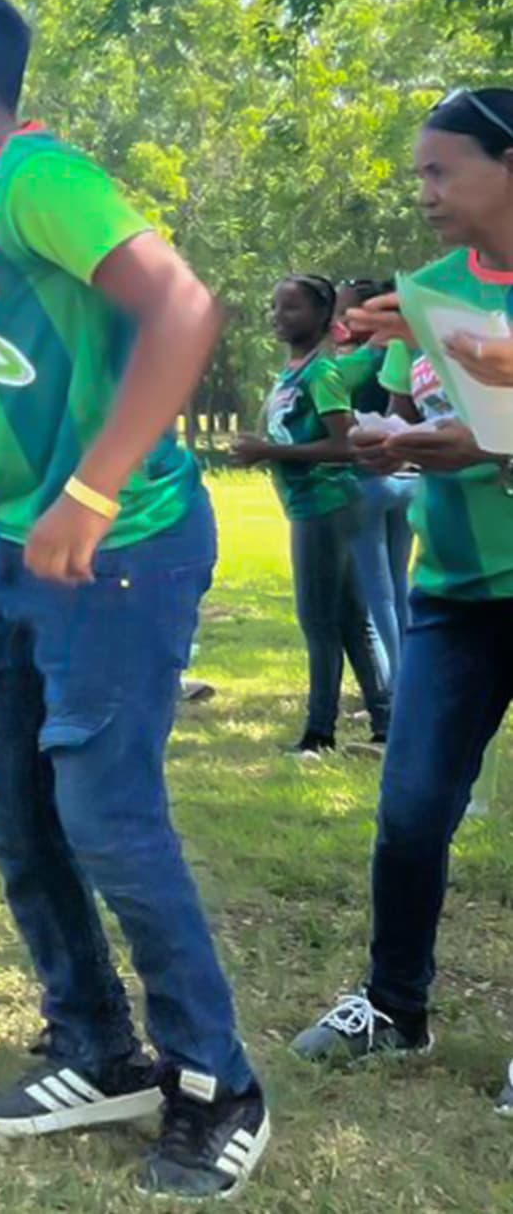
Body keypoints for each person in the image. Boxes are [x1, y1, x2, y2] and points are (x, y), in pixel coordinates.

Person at [0, 0, 265, 1197]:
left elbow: (184, 306)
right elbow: (9, 369)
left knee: (107, 814)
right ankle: (99, 1049)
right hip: (15, 549)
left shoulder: (39, 177)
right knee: (13, 799)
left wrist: (94, 489)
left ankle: (216, 1083)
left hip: (119, 544)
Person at [295, 87, 513, 1123]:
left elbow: (490, 429)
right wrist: (391, 437)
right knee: (411, 810)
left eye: (441, 169)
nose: (422, 190)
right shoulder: (427, 291)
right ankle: (394, 1006)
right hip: (453, 594)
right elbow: (413, 410)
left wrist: (462, 441)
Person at [231, 275, 391, 752]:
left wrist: (270, 452)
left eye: (292, 308)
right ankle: (387, 723)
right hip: (313, 503)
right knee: (347, 619)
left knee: (318, 622)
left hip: (326, 504)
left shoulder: (321, 373)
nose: (278, 317)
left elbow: (345, 446)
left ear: (323, 317)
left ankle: (318, 735)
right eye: (274, 307)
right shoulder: (294, 371)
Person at [331, 276, 413, 698]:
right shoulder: (403, 350)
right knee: (398, 590)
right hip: (409, 479)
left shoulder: (359, 360)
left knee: (373, 598)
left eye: (347, 309)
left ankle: (390, 695)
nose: (341, 318)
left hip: (369, 480)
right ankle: (408, 684)